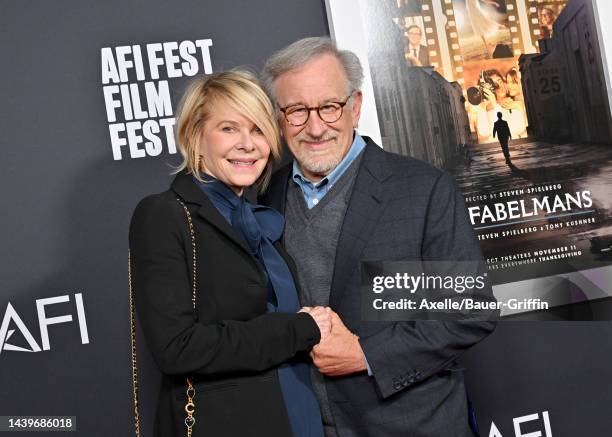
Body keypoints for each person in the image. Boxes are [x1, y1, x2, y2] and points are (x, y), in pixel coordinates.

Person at [261, 37, 496, 437]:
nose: (315, 127)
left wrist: (365, 354)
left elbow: (467, 313)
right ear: (280, 119)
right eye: (297, 111)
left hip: (411, 426)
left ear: (355, 106)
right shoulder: (265, 197)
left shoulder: (424, 190)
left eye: (329, 107)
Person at [128, 70, 328, 437]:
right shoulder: (164, 214)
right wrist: (299, 330)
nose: (248, 144)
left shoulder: (261, 215)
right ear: (195, 137)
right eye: (229, 129)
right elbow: (178, 347)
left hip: (296, 411)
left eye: (257, 129)